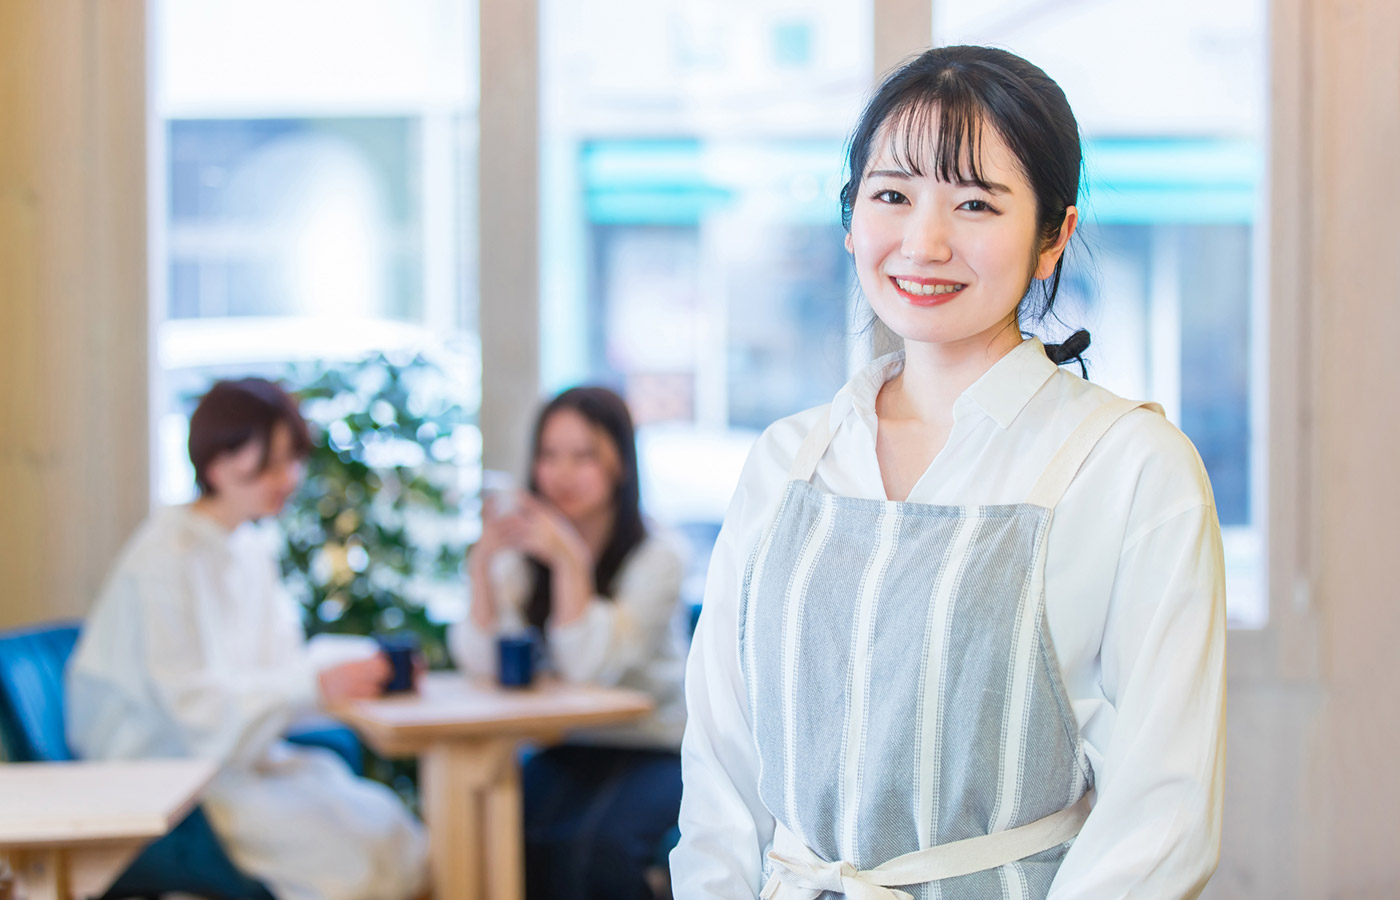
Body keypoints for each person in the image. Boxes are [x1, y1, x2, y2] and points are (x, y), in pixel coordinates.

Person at [671, 45, 1226, 900]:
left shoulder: (1129, 468)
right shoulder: (788, 461)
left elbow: (1161, 819)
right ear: (851, 219)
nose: (924, 242)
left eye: (974, 203)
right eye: (892, 195)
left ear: (1054, 237)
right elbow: (720, 774)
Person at [67, 378, 428, 900]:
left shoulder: (249, 546)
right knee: (349, 862)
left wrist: (356, 669)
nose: (289, 479)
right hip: (172, 775)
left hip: (240, 762)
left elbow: (279, 665)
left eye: (293, 460)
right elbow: (194, 711)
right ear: (217, 464)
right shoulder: (164, 559)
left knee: (393, 832)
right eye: (270, 464)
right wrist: (313, 685)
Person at [450, 386, 688, 900]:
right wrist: (482, 566)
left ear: (621, 465)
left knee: (593, 848)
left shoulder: (659, 556)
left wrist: (569, 564)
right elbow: (482, 664)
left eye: (584, 457)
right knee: (501, 831)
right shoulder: (524, 554)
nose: (561, 474)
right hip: (565, 745)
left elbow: (589, 669)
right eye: (549, 455)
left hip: (655, 747)